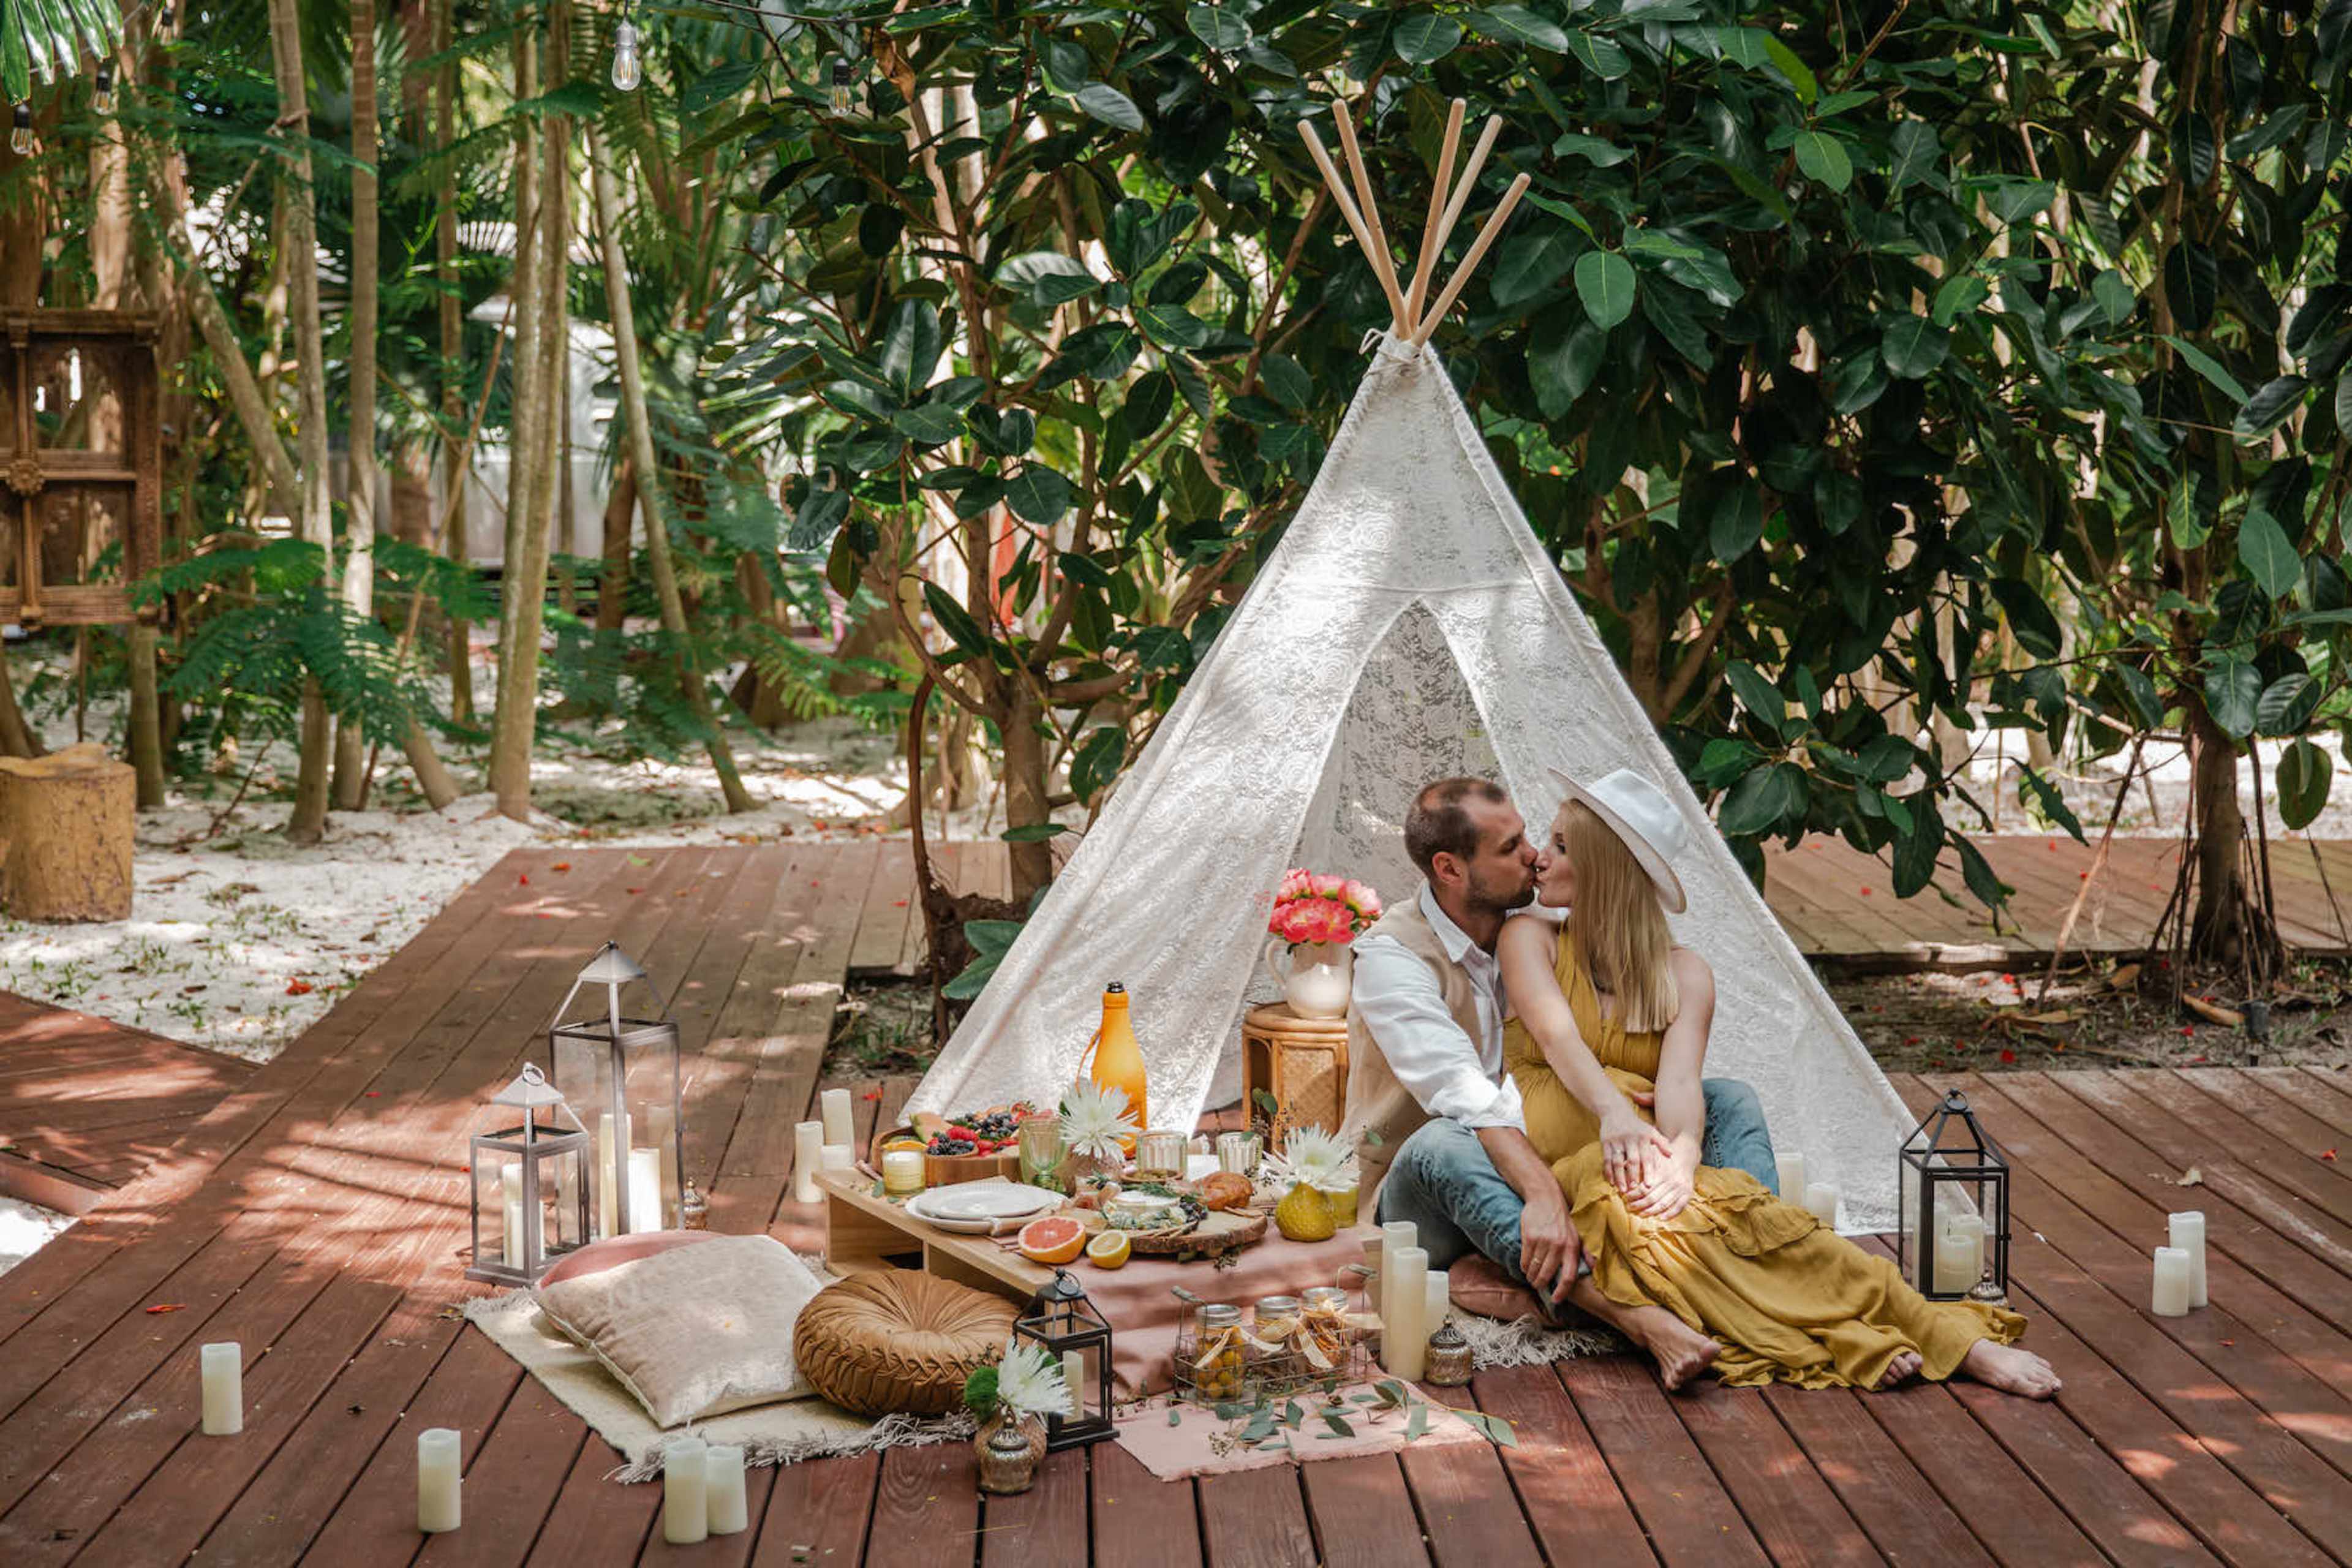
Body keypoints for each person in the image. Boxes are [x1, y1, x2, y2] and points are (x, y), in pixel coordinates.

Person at [1495, 766, 2060, 1397]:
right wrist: (1617, 1116)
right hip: (1576, 1173)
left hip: (1646, 1168)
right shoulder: (1529, 938)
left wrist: (1683, 1159)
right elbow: (1557, 1039)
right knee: (1703, 1255)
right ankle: (1860, 1337)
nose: (1540, 857)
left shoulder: (1684, 973)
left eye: (1562, 845)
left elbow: (1680, 1083)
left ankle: (1961, 1343)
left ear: (1605, 869)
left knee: (1781, 1236)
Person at [1343, 775, 1779, 1328]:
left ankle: (1766, 1265)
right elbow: (1470, 1099)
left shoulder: (1541, 928)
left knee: (1730, 1099)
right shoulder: (1392, 959)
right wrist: (1544, 1192)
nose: (1534, 857)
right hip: (1431, 1194)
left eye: (1533, 838)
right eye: (1511, 848)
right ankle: (1632, 1317)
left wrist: (1677, 1149)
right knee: (1444, 1142)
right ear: (1450, 870)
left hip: (1551, 1166)